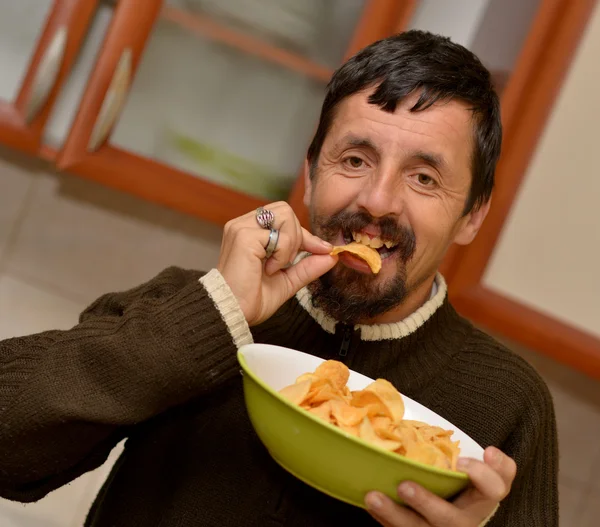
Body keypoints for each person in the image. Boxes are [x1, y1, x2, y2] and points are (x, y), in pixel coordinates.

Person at [0, 30, 557, 527]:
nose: (378, 201)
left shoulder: (509, 406)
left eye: (424, 177)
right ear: (312, 175)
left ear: (473, 216)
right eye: (356, 160)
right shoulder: (187, 306)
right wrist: (211, 317)